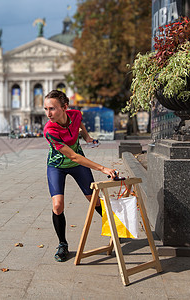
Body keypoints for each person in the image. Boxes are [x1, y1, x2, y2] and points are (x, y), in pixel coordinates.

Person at [43, 90, 116, 262]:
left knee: (95, 200)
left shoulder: (75, 114)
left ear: (65, 107)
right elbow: (74, 156)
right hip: (57, 166)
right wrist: (103, 168)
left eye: (52, 109)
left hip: (78, 166)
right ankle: (62, 244)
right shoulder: (49, 130)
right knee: (57, 206)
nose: (48, 114)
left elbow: (79, 124)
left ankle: (115, 229)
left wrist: (87, 137)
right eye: (46, 109)